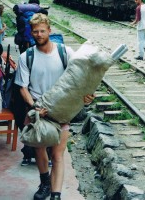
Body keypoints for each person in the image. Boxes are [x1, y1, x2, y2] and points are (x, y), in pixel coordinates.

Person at [14, 13, 94, 200]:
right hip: (37, 109)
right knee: (39, 148)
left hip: (61, 110)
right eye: (35, 32)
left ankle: (56, 194)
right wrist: (34, 107)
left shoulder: (65, 52)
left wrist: (88, 95)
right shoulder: (27, 57)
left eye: (42, 31)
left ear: (49, 30)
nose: (39, 34)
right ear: (31, 33)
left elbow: (81, 75)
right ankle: (44, 183)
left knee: (58, 154)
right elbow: (23, 88)